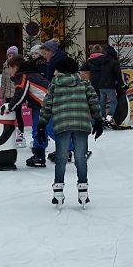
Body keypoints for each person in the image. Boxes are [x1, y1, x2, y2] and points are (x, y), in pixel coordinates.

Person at [38, 57, 103, 207]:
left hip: (62, 123)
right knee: (80, 157)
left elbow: (46, 105)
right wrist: (98, 120)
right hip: (81, 123)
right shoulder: (84, 83)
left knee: (61, 157)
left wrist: (42, 124)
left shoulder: (54, 85)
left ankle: (58, 191)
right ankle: (83, 190)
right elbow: (94, 102)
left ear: (60, 69)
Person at [4, 53, 51, 167]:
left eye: (9, 68)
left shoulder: (23, 76)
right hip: (40, 105)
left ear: (15, 67)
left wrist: (10, 107)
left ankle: (75, 149)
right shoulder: (29, 73)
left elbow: (20, 94)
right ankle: (39, 154)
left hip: (46, 105)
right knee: (39, 129)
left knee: (50, 129)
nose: (9, 71)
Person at [86, 44, 124, 125]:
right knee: (114, 101)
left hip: (101, 85)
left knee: (102, 103)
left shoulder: (103, 61)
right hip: (109, 85)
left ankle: (102, 118)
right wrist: (121, 84)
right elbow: (118, 75)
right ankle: (108, 117)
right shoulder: (114, 62)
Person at [0, 46, 25, 147]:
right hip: (8, 95)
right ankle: (8, 134)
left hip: (17, 95)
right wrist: (1, 96)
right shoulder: (5, 67)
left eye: (12, 55)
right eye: (9, 55)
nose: (10, 57)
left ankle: (21, 134)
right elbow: (3, 82)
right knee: (8, 114)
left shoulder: (19, 67)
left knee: (18, 115)